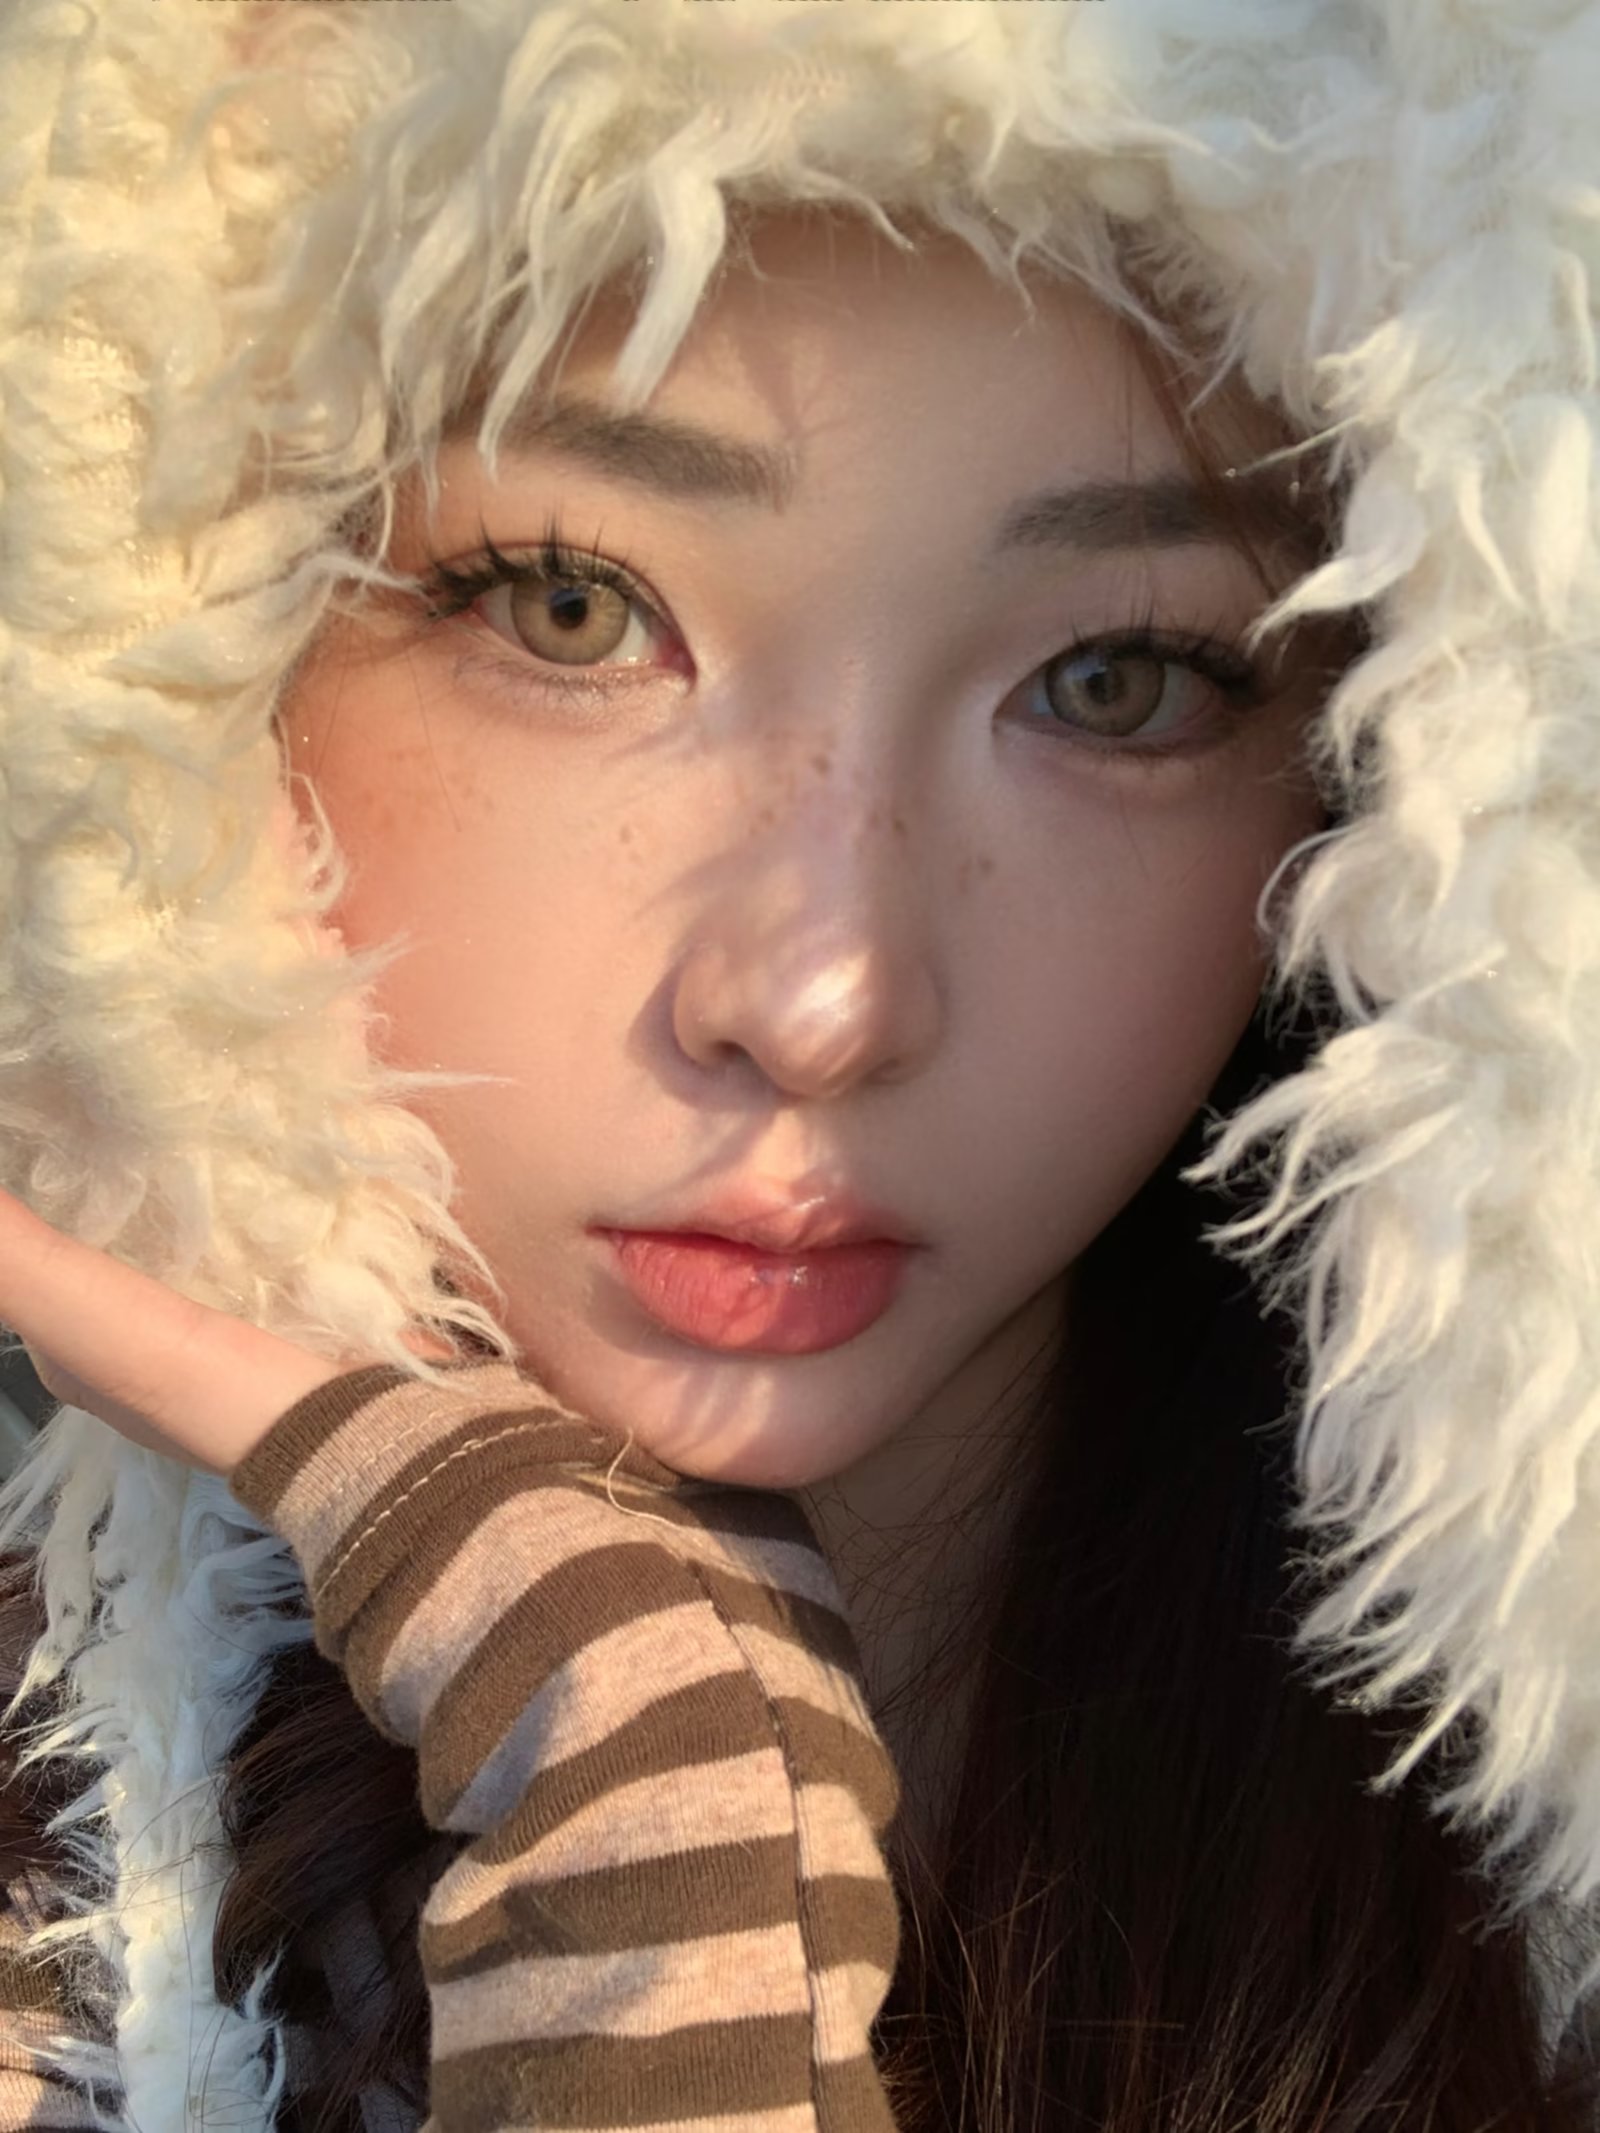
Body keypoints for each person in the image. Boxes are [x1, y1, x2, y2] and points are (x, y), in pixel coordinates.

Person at [0, 1, 1596, 2127]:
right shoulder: (58, 1941)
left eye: (1117, 680)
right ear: (185, 650)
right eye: (569, 609)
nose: (822, 996)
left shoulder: (1543, 1886)